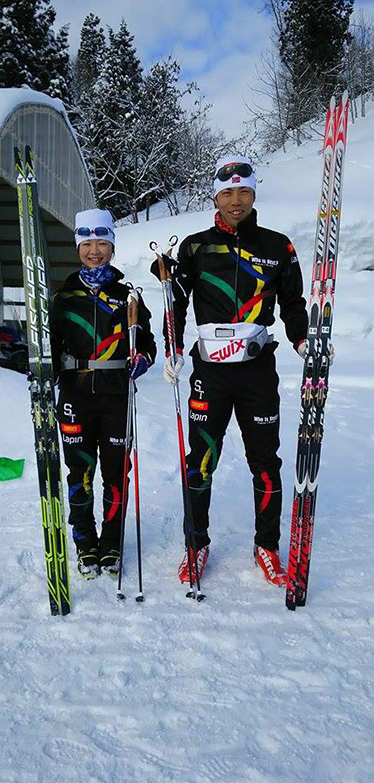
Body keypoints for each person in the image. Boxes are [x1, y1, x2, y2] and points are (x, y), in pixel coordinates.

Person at [152, 155, 310, 587]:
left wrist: (302, 340)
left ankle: (267, 547)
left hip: (257, 370)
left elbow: (293, 302)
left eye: (243, 191)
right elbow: (175, 301)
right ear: (215, 198)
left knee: (265, 462)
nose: (235, 200)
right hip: (211, 372)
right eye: (227, 192)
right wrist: (172, 348)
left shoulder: (278, 246)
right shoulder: (195, 247)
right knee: (200, 461)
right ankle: (196, 544)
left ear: (253, 194)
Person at [51, 209, 156, 579]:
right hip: (75, 397)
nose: (94, 251)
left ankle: (111, 543)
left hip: (116, 397)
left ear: (112, 246)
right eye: (87, 244)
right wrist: (44, 375)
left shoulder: (128, 296)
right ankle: (85, 542)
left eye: (102, 243)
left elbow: (147, 343)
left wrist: (142, 359)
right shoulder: (63, 297)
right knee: (79, 473)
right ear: (78, 247)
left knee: (116, 473)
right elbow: (50, 346)